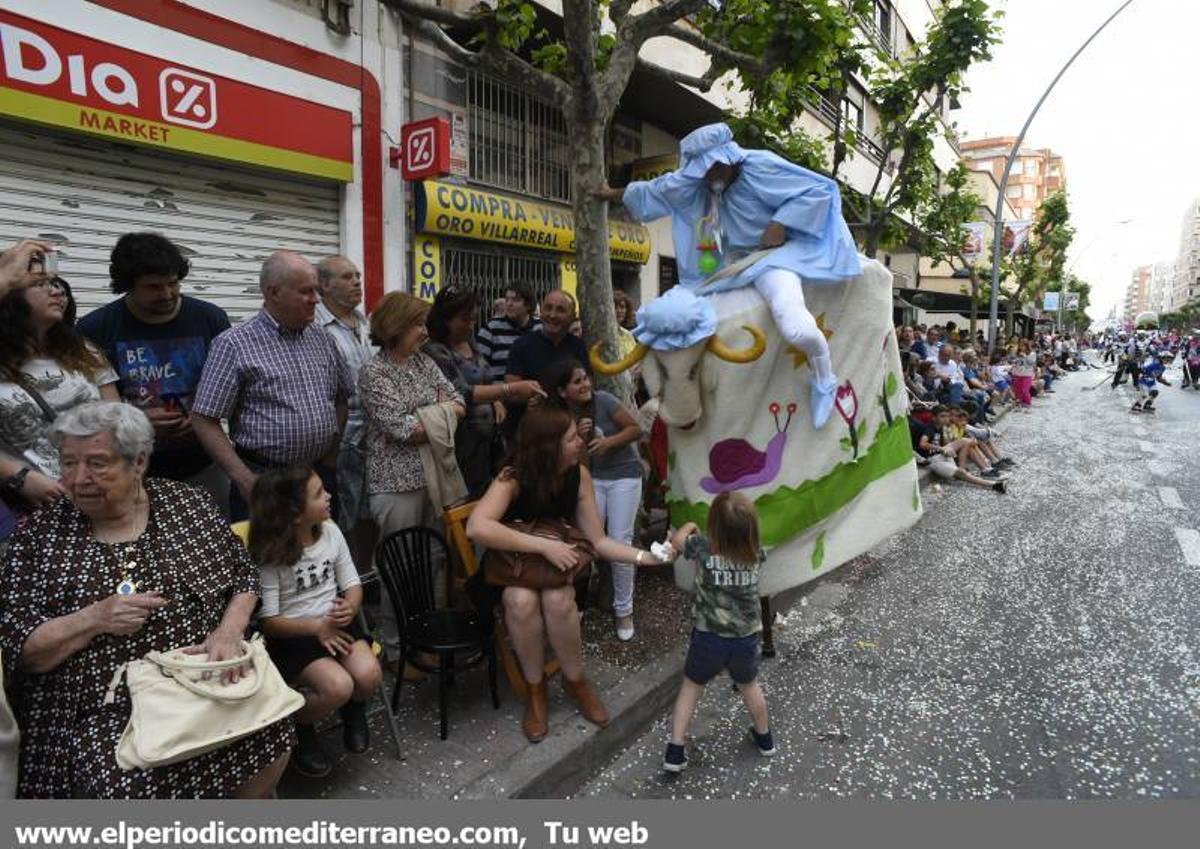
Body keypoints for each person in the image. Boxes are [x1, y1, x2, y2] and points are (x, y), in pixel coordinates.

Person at [0, 402, 292, 798]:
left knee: (272, 730)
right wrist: (94, 619)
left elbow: (243, 576)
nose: (77, 478)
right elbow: (24, 651)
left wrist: (228, 631)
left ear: (138, 462)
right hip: (100, 707)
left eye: (97, 464)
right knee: (119, 782)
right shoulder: (36, 539)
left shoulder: (187, 505)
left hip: (199, 682)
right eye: (68, 463)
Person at [596, 122, 862, 429]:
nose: (710, 175)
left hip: (772, 259)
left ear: (729, 157)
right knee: (675, 314)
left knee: (795, 328)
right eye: (703, 170)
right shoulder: (696, 184)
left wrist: (781, 221)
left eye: (715, 166)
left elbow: (819, 190)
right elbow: (656, 189)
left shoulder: (760, 165)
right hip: (725, 269)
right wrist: (607, 194)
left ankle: (824, 377)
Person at [465, 405, 669, 742]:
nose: (580, 442)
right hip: (516, 567)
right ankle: (535, 689)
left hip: (556, 570)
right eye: (572, 438)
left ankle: (574, 680)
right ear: (548, 445)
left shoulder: (579, 475)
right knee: (518, 600)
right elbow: (477, 527)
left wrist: (644, 557)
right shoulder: (513, 476)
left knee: (559, 599)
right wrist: (542, 546)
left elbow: (599, 540)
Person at [192, 251, 352, 521]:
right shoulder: (234, 344)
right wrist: (244, 480)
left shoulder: (323, 339)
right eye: (306, 291)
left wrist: (330, 458)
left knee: (322, 556)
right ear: (274, 292)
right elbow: (203, 418)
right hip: (265, 480)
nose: (316, 299)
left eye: (316, 290)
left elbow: (341, 398)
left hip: (317, 476)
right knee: (268, 561)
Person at [76, 232, 232, 508]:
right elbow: (85, 405)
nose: (168, 294)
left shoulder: (210, 318)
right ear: (127, 286)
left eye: (173, 283)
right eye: (154, 287)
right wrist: (137, 418)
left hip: (206, 462)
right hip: (132, 468)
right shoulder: (96, 328)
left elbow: (233, 387)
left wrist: (203, 416)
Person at [250, 465, 380, 779]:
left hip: (336, 624)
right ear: (295, 514)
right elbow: (269, 620)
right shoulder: (272, 556)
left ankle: (353, 710)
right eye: (319, 493)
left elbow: (351, 583)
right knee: (338, 687)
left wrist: (350, 606)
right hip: (296, 635)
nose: (329, 496)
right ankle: (300, 728)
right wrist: (316, 628)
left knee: (369, 675)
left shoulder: (331, 532)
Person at [358, 292, 463, 666]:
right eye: (418, 324)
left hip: (434, 478)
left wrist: (430, 414)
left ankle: (427, 635)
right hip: (394, 483)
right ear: (395, 327)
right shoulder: (375, 372)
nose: (424, 331)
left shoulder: (423, 363)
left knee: (433, 559)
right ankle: (396, 644)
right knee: (399, 566)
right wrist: (438, 413)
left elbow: (458, 403)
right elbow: (404, 430)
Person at [662, 492, 774, 772]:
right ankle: (765, 739)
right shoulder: (756, 552)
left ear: (713, 526)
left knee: (691, 688)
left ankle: (675, 751)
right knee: (750, 686)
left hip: (708, 637)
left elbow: (676, 542)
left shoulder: (702, 547)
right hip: (745, 639)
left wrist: (689, 526)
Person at [540, 360, 644, 641]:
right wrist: (583, 440)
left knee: (620, 540)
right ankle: (578, 605)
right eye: (577, 382)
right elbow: (581, 467)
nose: (585, 384)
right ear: (563, 392)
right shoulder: (561, 416)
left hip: (624, 475)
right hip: (592, 479)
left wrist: (610, 442)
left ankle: (624, 610)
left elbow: (635, 429)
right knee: (585, 541)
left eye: (586, 378)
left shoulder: (605, 401)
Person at [0, 275, 118, 506]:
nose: (57, 292)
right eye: (38, 284)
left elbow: (117, 418)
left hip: (97, 494)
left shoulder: (84, 350)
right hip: (23, 503)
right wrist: (19, 477)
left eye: (56, 285)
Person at [423, 286, 544, 499]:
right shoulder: (435, 350)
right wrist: (510, 389)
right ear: (445, 319)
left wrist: (496, 401)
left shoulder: (469, 342)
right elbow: (461, 392)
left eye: (473, 319)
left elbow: (485, 377)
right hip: (460, 445)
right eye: (464, 320)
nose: (471, 326)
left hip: (486, 446)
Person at [313, 255, 375, 553]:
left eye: (358, 275)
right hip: (338, 440)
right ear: (323, 285)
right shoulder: (314, 327)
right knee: (337, 513)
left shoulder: (365, 323)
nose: (357, 282)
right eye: (347, 277)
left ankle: (365, 577)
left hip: (372, 437)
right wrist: (330, 446)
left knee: (368, 511)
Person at [504, 289, 590, 436]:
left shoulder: (579, 346)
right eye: (548, 308)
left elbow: (587, 388)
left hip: (569, 430)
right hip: (528, 432)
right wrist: (529, 399)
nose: (552, 315)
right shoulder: (522, 345)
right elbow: (512, 391)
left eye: (560, 310)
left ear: (572, 317)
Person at [909, 407, 1006, 493]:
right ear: (934, 418)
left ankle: (980, 469)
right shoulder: (930, 428)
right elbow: (923, 444)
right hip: (933, 459)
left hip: (943, 454)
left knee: (965, 441)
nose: (946, 418)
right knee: (961, 473)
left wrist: (947, 447)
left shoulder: (942, 428)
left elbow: (949, 442)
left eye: (946, 416)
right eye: (942, 416)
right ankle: (993, 485)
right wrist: (941, 448)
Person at [477, 282, 540, 383]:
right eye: (507, 299)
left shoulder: (540, 328)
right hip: (499, 394)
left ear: (528, 305)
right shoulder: (491, 328)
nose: (509, 304)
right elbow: (479, 367)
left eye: (515, 300)